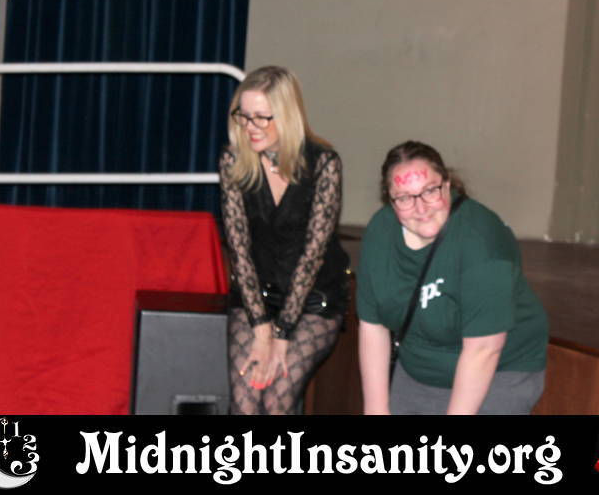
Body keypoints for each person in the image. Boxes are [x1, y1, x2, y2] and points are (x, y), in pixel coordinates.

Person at [357, 141, 548, 415]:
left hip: (498, 371)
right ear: (390, 200)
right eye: (405, 198)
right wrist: (376, 409)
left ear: (446, 185)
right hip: (419, 370)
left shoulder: (481, 240)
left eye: (429, 191)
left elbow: (483, 350)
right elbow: (372, 326)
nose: (421, 208)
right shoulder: (380, 233)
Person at [219, 65, 349, 415]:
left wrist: (283, 335)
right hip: (256, 296)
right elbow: (239, 251)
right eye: (244, 116)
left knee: (277, 398)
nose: (250, 127)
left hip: (313, 298)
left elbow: (312, 256)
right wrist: (262, 330)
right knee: (246, 399)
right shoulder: (234, 160)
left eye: (262, 117)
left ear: (288, 116)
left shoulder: (323, 163)